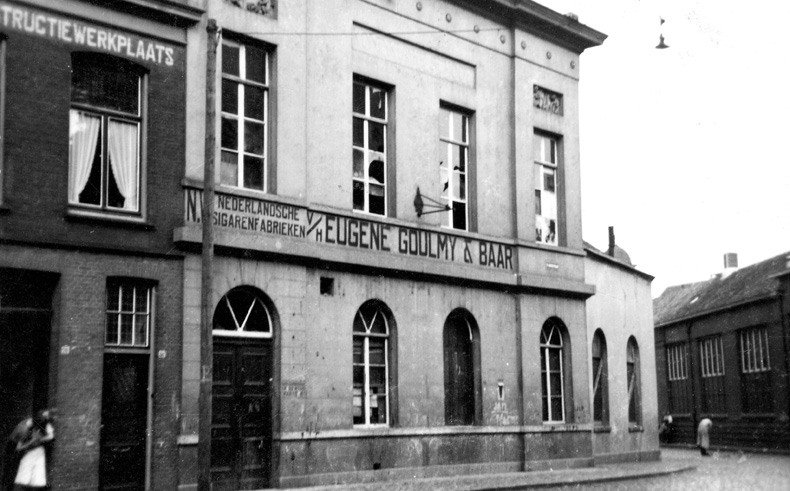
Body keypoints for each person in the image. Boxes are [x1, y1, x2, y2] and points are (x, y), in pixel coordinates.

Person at [13, 410, 54, 491]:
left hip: (38, 452)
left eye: (46, 417)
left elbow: (51, 436)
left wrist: (40, 439)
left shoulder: (45, 426)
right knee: (24, 479)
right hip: (29, 452)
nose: (46, 418)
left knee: (37, 480)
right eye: (43, 416)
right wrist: (31, 442)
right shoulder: (28, 429)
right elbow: (19, 447)